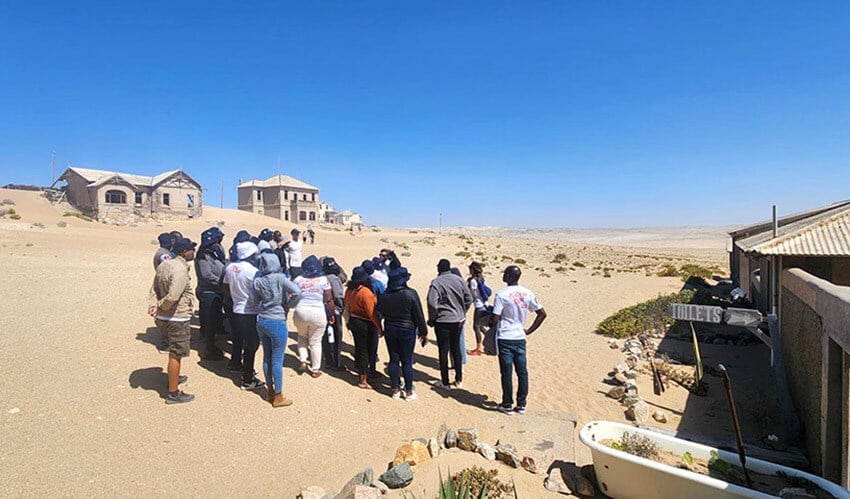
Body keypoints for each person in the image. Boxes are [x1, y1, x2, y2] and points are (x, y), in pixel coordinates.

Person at [491, 265, 547, 415]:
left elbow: (495, 318)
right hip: (519, 337)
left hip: (505, 337)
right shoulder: (527, 293)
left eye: (505, 274)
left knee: (507, 372)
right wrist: (528, 330)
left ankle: (507, 404)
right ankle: (521, 404)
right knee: (522, 372)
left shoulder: (501, 294)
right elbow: (542, 314)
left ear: (509, 276)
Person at [148, 237, 197, 404]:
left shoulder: (164, 265)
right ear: (184, 252)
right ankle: (173, 392)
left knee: (174, 352)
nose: (193, 252)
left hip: (163, 318)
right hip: (176, 317)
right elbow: (173, 296)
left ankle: (173, 377)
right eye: (191, 249)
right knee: (176, 354)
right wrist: (160, 306)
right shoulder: (179, 271)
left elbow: (153, 289)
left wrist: (154, 305)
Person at [252, 252, 301, 408]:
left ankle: (270, 391)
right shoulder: (280, 278)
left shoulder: (257, 280)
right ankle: (278, 396)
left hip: (262, 320)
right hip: (277, 320)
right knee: (277, 360)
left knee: (267, 357)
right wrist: (290, 304)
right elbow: (297, 292)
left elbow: (255, 301)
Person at [376, 265, 428, 401]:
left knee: (393, 359)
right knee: (406, 361)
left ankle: (395, 389)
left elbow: (379, 312)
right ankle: (409, 390)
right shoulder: (411, 293)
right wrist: (424, 332)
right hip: (407, 329)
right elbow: (419, 315)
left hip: (390, 328)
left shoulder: (384, 295)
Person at [222, 241, 265, 391]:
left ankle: (244, 368)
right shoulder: (253, 271)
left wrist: (237, 296)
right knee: (251, 345)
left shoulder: (230, 268)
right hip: (250, 312)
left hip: (236, 309)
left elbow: (226, 286)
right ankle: (247, 379)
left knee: (240, 341)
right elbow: (260, 291)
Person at [427, 258, 473, 389]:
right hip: (458, 320)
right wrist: (463, 311)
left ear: (438, 269)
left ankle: (445, 382)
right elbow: (469, 298)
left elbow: (431, 303)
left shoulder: (436, 282)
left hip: (442, 321)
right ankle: (458, 380)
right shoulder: (459, 280)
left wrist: (432, 318)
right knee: (456, 349)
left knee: (443, 351)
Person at [292, 255, 334, 377]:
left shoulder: (298, 279)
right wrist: (331, 314)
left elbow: (292, 294)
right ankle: (315, 369)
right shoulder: (323, 280)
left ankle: (303, 361)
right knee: (315, 342)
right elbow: (329, 299)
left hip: (301, 310)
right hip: (317, 311)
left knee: (302, 337)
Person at [344, 267, 383, 388]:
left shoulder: (349, 290)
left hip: (354, 320)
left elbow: (347, 306)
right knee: (366, 351)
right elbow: (372, 313)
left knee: (360, 349)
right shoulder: (365, 292)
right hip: (366, 323)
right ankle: (363, 379)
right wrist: (380, 328)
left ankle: (362, 372)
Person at [194, 227, 227, 360]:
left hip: (216, 292)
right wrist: (221, 282)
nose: (217, 244)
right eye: (215, 242)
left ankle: (212, 343)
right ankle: (209, 349)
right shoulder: (203, 256)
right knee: (209, 322)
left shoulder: (212, 253)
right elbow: (206, 275)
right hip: (208, 292)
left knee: (214, 320)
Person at [321, 257, 345, 370]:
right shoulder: (333, 279)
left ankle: (328, 361)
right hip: (333, 311)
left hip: (322, 310)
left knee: (326, 337)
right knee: (336, 337)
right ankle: (336, 363)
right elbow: (338, 296)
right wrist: (340, 309)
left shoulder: (320, 278)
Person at [466, 261, 492, 356]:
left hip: (479, 306)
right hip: (485, 305)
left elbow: (472, 294)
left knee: (476, 326)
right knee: (480, 326)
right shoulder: (481, 279)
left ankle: (478, 348)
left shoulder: (473, 281)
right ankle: (491, 339)